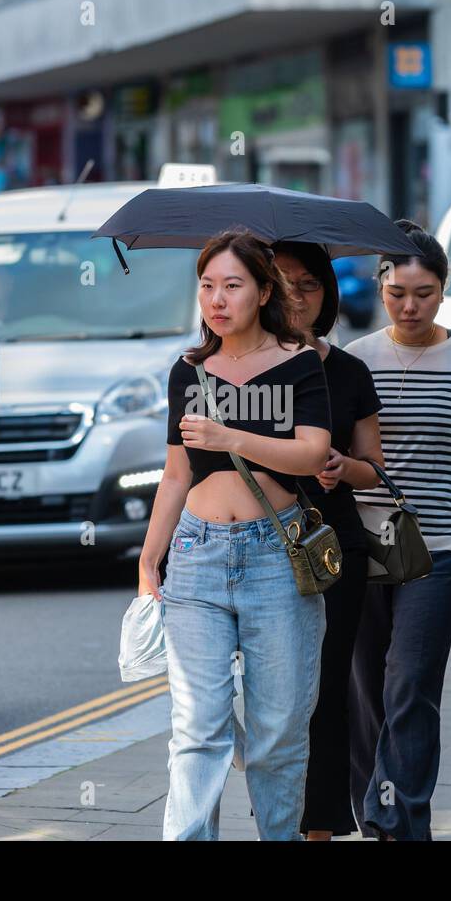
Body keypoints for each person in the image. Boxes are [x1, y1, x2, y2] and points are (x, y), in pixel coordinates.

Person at [137, 229, 332, 841]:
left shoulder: (301, 363)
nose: (216, 300)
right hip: (195, 556)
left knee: (277, 735)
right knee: (198, 729)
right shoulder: (188, 370)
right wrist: (150, 563)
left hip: (277, 556)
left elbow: (313, 456)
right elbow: (174, 476)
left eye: (232, 285)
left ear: (263, 291)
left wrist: (232, 440)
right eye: (206, 286)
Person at [345, 220, 451, 840]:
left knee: (410, 680)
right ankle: (375, 811)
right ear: (380, 288)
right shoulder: (356, 360)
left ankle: (397, 818)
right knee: (366, 689)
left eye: (423, 292)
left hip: (440, 542)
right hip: (365, 540)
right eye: (398, 292)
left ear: (444, 290)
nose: (409, 305)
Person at [270, 242, 384, 841]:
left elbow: (374, 469)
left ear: (328, 295)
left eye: (309, 285)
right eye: (281, 283)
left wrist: (341, 465)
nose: (295, 296)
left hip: (331, 546)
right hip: (252, 544)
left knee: (325, 689)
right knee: (273, 698)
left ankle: (317, 830)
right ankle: (279, 818)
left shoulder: (347, 371)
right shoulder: (239, 368)